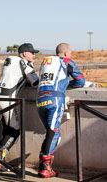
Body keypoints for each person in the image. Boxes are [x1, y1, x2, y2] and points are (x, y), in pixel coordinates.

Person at [36, 43, 85, 178]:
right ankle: (44, 168)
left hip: (40, 99)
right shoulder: (67, 61)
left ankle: (45, 166)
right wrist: (68, 85)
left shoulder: (45, 62)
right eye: (70, 53)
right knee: (54, 133)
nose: (71, 55)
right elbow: (81, 81)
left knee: (51, 134)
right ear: (65, 53)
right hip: (55, 99)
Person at [0, 43, 39, 170]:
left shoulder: (9, 60)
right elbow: (36, 82)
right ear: (24, 54)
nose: (34, 55)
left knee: (0, 129)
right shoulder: (25, 63)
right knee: (15, 130)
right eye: (32, 52)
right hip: (8, 99)